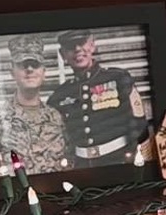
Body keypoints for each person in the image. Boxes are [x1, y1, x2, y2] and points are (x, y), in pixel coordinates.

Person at [49, 28, 150, 160]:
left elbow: (138, 122)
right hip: (82, 166)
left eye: (81, 42)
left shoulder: (118, 78)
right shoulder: (60, 95)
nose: (78, 49)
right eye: (70, 46)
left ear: (92, 45)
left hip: (119, 159)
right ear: (63, 55)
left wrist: (136, 156)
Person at [0, 36, 72, 176]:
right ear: (12, 72)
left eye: (35, 64)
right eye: (23, 65)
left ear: (44, 73)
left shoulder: (57, 118)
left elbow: (68, 164)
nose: (29, 70)